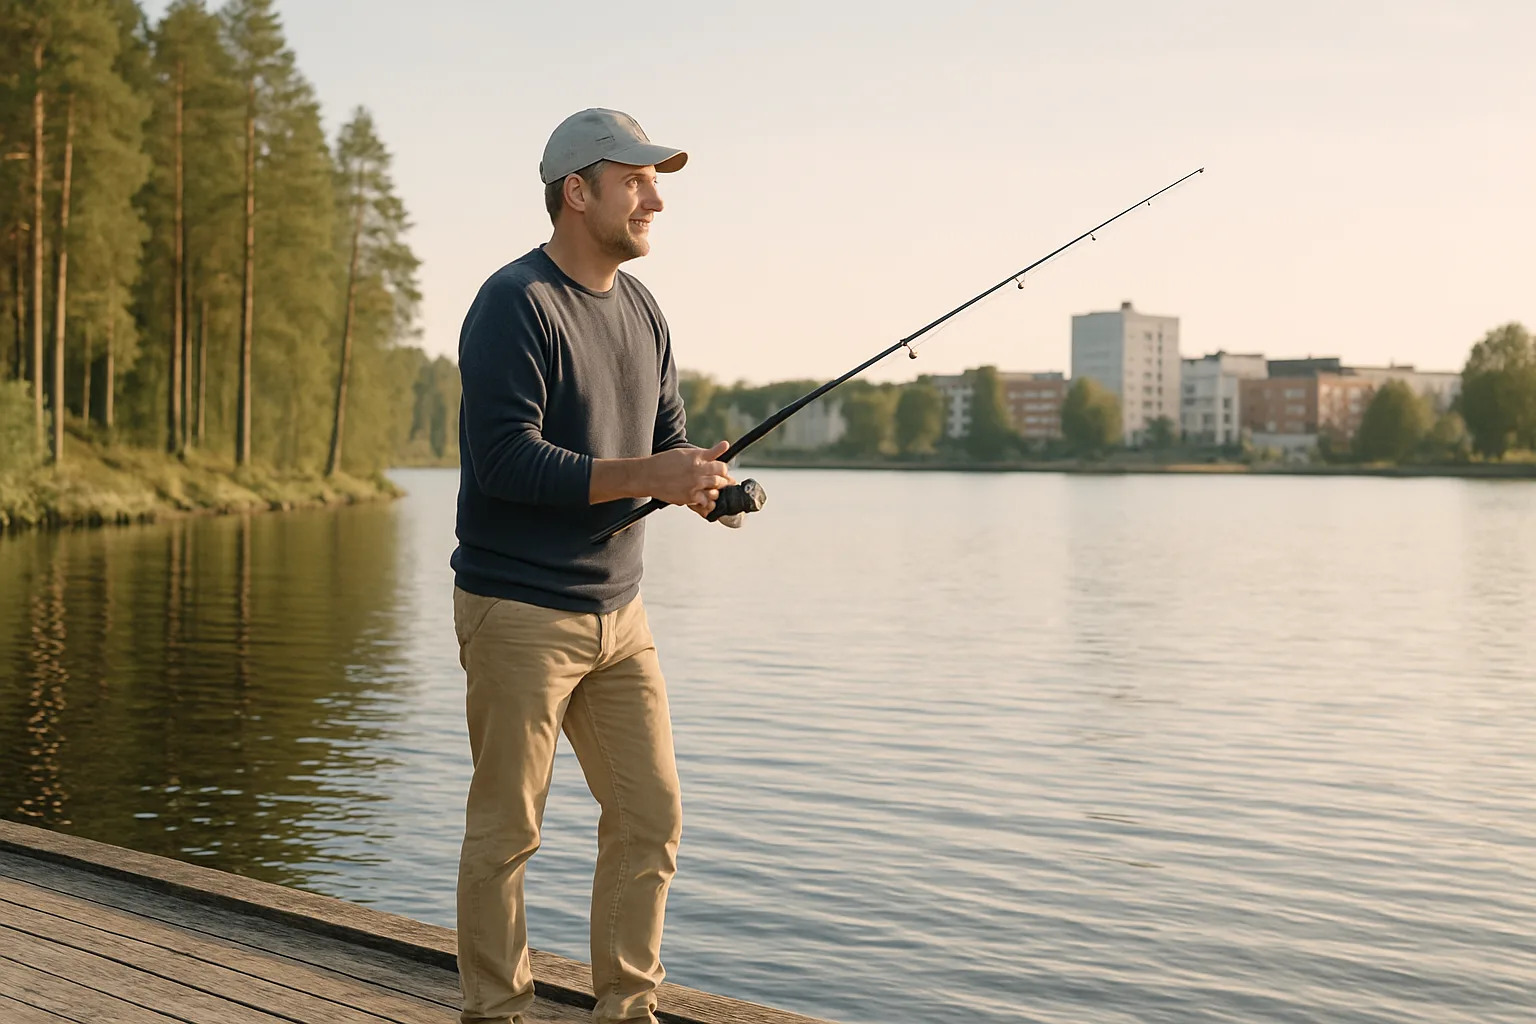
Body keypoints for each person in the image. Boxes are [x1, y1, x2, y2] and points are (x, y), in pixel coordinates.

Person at [451, 108, 734, 1024]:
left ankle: (627, 1009)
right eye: (636, 181)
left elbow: (666, 445)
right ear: (579, 193)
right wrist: (647, 473)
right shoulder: (514, 303)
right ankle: (495, 1011)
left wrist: (700, 485)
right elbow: (508, 460)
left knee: (651, 817)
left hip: (622, 615)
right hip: (518, 611)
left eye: (656, 182)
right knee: (507, 833)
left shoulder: (645, 310)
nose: (655, 199)